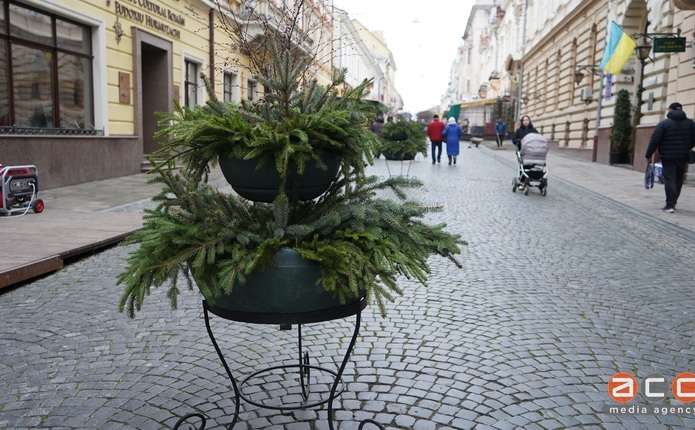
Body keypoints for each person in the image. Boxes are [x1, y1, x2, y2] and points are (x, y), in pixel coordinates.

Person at [645, 102, 695, 213]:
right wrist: (687, 146)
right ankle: (673, 202)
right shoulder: (690, 124)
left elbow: (654, 140)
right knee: (678, 179)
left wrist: (648, 155)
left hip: (668, 157)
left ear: (670, 110)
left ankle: (670, 205)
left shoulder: (664, 124)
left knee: (669, 179)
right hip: (683, 156)